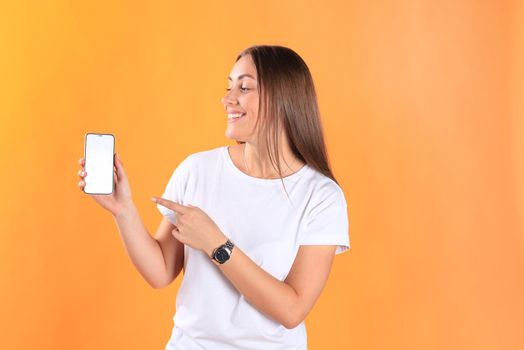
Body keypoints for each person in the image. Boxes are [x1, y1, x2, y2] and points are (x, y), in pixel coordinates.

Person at [77, 45, 350, 350]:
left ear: (283, 99)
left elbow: (292, 310)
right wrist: (122, 209)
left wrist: (217, 244)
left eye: (244, 87)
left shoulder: (321, 196)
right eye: (229, 87)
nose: (227, 99)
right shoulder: (197, 170)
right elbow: (160, 271)